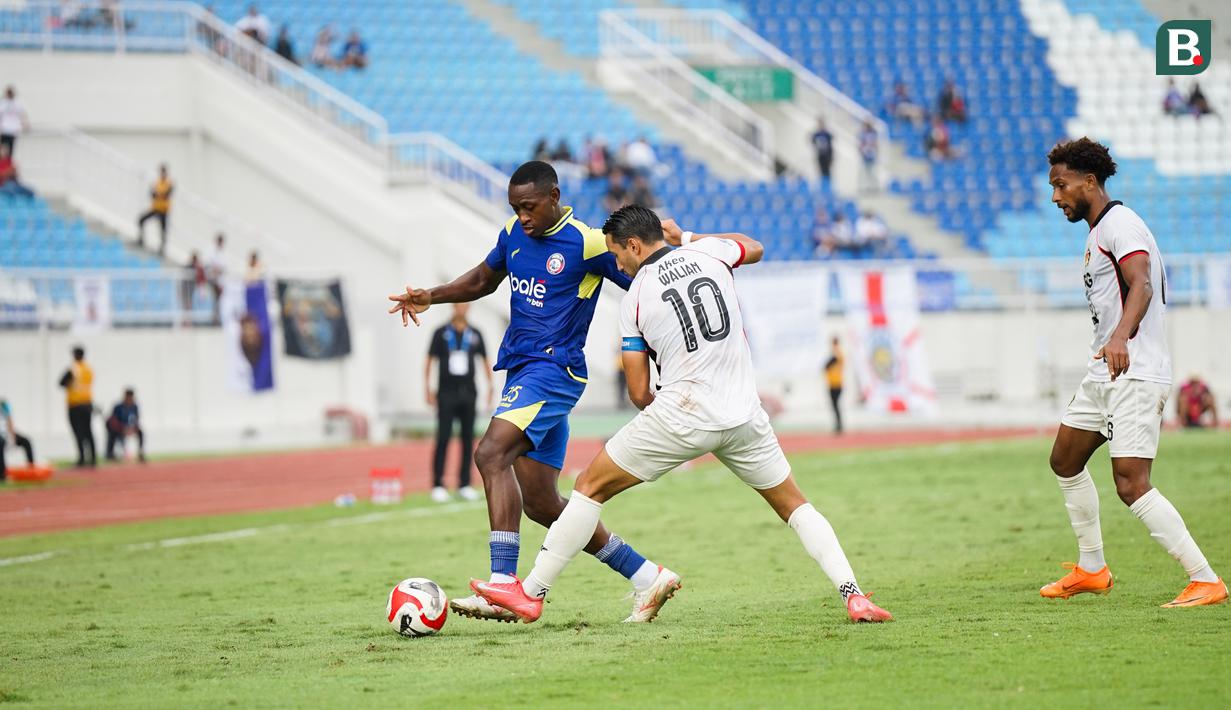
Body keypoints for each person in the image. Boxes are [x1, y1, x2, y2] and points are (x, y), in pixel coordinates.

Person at [471, 206, 892, 625]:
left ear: (634, 245)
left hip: (682, 414)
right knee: (795, 507)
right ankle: (853, 595)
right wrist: (686, 236)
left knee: (588, 488)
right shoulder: (710, 253)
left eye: (618, 255)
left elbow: (638, 392)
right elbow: (755, 247)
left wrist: (665, 415)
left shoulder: (635, 297)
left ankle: (532, 593)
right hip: (745, 415)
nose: (617, 264)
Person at [387, 161, 668, 623]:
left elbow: (647, 280)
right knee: (542, 503)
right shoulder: (513, 233)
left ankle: (503, 583)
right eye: (516, 208)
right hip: (522, 371)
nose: (523, 217)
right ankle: (645, 576)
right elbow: (482, 279)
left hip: (554, 372)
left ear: (554, 196)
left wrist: (664, 346)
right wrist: (431, 296)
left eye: (530, 207)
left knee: (489, 454)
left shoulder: (588, 241)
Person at [1042, 137, 1225, 607]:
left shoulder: (1121, 225)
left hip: (1136, 370)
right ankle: (1091, 567)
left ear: (1089, 180)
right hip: (1105, 372)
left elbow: (1140, 282)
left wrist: (1122, 335)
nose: (1056, 196)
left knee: (1130, 482)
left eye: (1061, 185)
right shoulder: (1098, 231)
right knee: (1064, 459)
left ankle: (1204, 578)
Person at [426, 303, 493, 503]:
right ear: (453, 307)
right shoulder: (440, 333)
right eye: (459, 305)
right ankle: (438, 484)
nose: (462, 308)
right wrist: (427, 388)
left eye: (465, 305)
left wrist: (490, 386)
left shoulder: (475, 334)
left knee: (467, 439)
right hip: (446, 392)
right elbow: (429, 360)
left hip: (468, 392)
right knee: (443, 437)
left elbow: (485, 360)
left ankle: (464, 483)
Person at [61, 346, 96, 468]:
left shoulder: (73, 369)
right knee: (89, 432)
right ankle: (93, 459)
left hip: (75, 405)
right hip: (87, 404)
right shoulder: (88, 369)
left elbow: (61, 383)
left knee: (78, 433)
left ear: (75, 355)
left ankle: (82, 458)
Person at [136, 164, 173, 255]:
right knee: (141, 219)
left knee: (163, 230)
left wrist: (158, 194)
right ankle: (141, 240)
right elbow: (152, 194)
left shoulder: (169, 183)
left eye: (163, 171)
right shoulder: (157, 182)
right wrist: (158, 194)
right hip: (155, 208)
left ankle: (162, 249)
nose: (162, 173)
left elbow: (166, 195)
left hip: (164, 210)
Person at [0, 398, 36, 483]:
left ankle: (31, 468)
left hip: (6, 433)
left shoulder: (3, 404)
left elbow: (9, 419)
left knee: (26, 441)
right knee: (1, 443)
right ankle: (2, 475)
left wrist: (12, 437)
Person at [105, 389, 145, 463]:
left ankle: (140, 452)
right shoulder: (118, 407)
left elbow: (136, 419)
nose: (130, 399)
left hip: (130, 428)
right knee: (112, 434)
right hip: (119, 428)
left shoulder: (134, 407)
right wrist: (123, 428)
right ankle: (110, 454)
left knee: (140, 432)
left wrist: (133, 428)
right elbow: (113, 420)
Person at [0, 85, 30, 158]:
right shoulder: (3, 102)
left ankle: (8, 162)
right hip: (4, 129)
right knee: (3, 148)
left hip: (13, 130)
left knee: (11, 148)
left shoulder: (17, 103)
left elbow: (22, 114)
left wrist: (25, 124)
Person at [825, 337, 844, 434]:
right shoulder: (838, 353)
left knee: (835, 405)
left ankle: (839, 425)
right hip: (835, 383)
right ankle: (838, 424)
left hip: (835, 384)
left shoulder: (836, 353)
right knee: (835, 405)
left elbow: (827, 365)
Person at [206, 233, 226, 325]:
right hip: (213, 279)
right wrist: (217, 270)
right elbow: (210, 264)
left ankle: (216, 318)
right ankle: (215, 318)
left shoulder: (221, 252)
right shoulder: (211, 250)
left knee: (218, 300)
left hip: (218, 279)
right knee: (216, 299)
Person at [181, 250, 206, 324]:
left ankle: (188, 321)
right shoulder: (189, 267)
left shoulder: (196, 268)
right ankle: (186, 321)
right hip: (186, 288)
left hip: (190, 288)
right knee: (186, 306)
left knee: (188, 305)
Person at [810, 119, 834, 183]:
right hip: (820, 155)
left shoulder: (827, 134)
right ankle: (823, 184)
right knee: (821, 171)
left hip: (827, 155)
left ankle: (827, 185)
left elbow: (830, 144)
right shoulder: (817, 134)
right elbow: (812, 140)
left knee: (827, 171)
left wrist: (831, 157)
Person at [857, 121, 878, 194]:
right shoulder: (862, 134)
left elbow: (874, 144)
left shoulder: (872, 134)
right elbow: (860, 145)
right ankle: (864, 187)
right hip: (865, 155)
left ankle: (874, 187)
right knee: (864, 172)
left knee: (871, 172)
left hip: (871, 155)